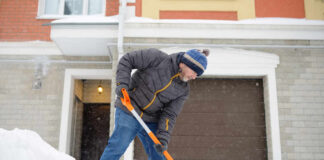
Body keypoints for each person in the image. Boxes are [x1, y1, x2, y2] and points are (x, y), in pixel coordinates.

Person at [100, 48, 209, 160]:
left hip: (150, 118)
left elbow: (169, 114)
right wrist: (122, 83)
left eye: (197, 75)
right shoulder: (157, 58)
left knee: (158, 154)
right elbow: (127, 59)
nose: (194, 77)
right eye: (195, 72)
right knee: (118, 146)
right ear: (184, 64)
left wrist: (163, 138)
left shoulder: (183, 90)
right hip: (130, 107)